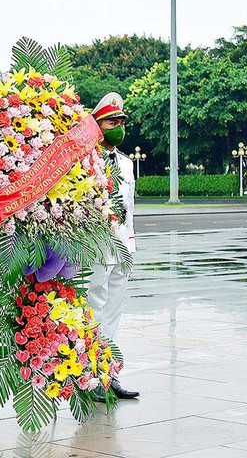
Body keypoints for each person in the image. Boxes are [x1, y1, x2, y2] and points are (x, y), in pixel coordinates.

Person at [89, 92, 139, 402]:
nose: (118, 126)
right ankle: (92, 378)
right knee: (94, 311)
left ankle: (109, 375)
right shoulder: (85, 160)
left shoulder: (126, 162)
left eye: (121, 121)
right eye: (112, 121)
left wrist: (131, 244)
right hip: (96, 248)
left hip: (123, 248)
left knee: (113, 315)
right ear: (98, 124)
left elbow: (130, 208)